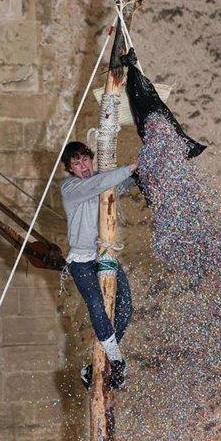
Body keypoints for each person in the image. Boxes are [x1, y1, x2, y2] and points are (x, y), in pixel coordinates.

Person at [60, 141, 138, 390]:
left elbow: (121, 183)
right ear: (70, 169)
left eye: (85, 160)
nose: (83, 166)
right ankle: (117, 360)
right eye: (76, 163)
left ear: (91, 159)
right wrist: (129, 168)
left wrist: (143, 170)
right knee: (96, 304)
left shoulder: (102, 182)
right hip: (82, 260)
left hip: (104, 255)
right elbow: (98, 185)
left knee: (125, 307)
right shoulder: (71, 187)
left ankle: (93, 367)